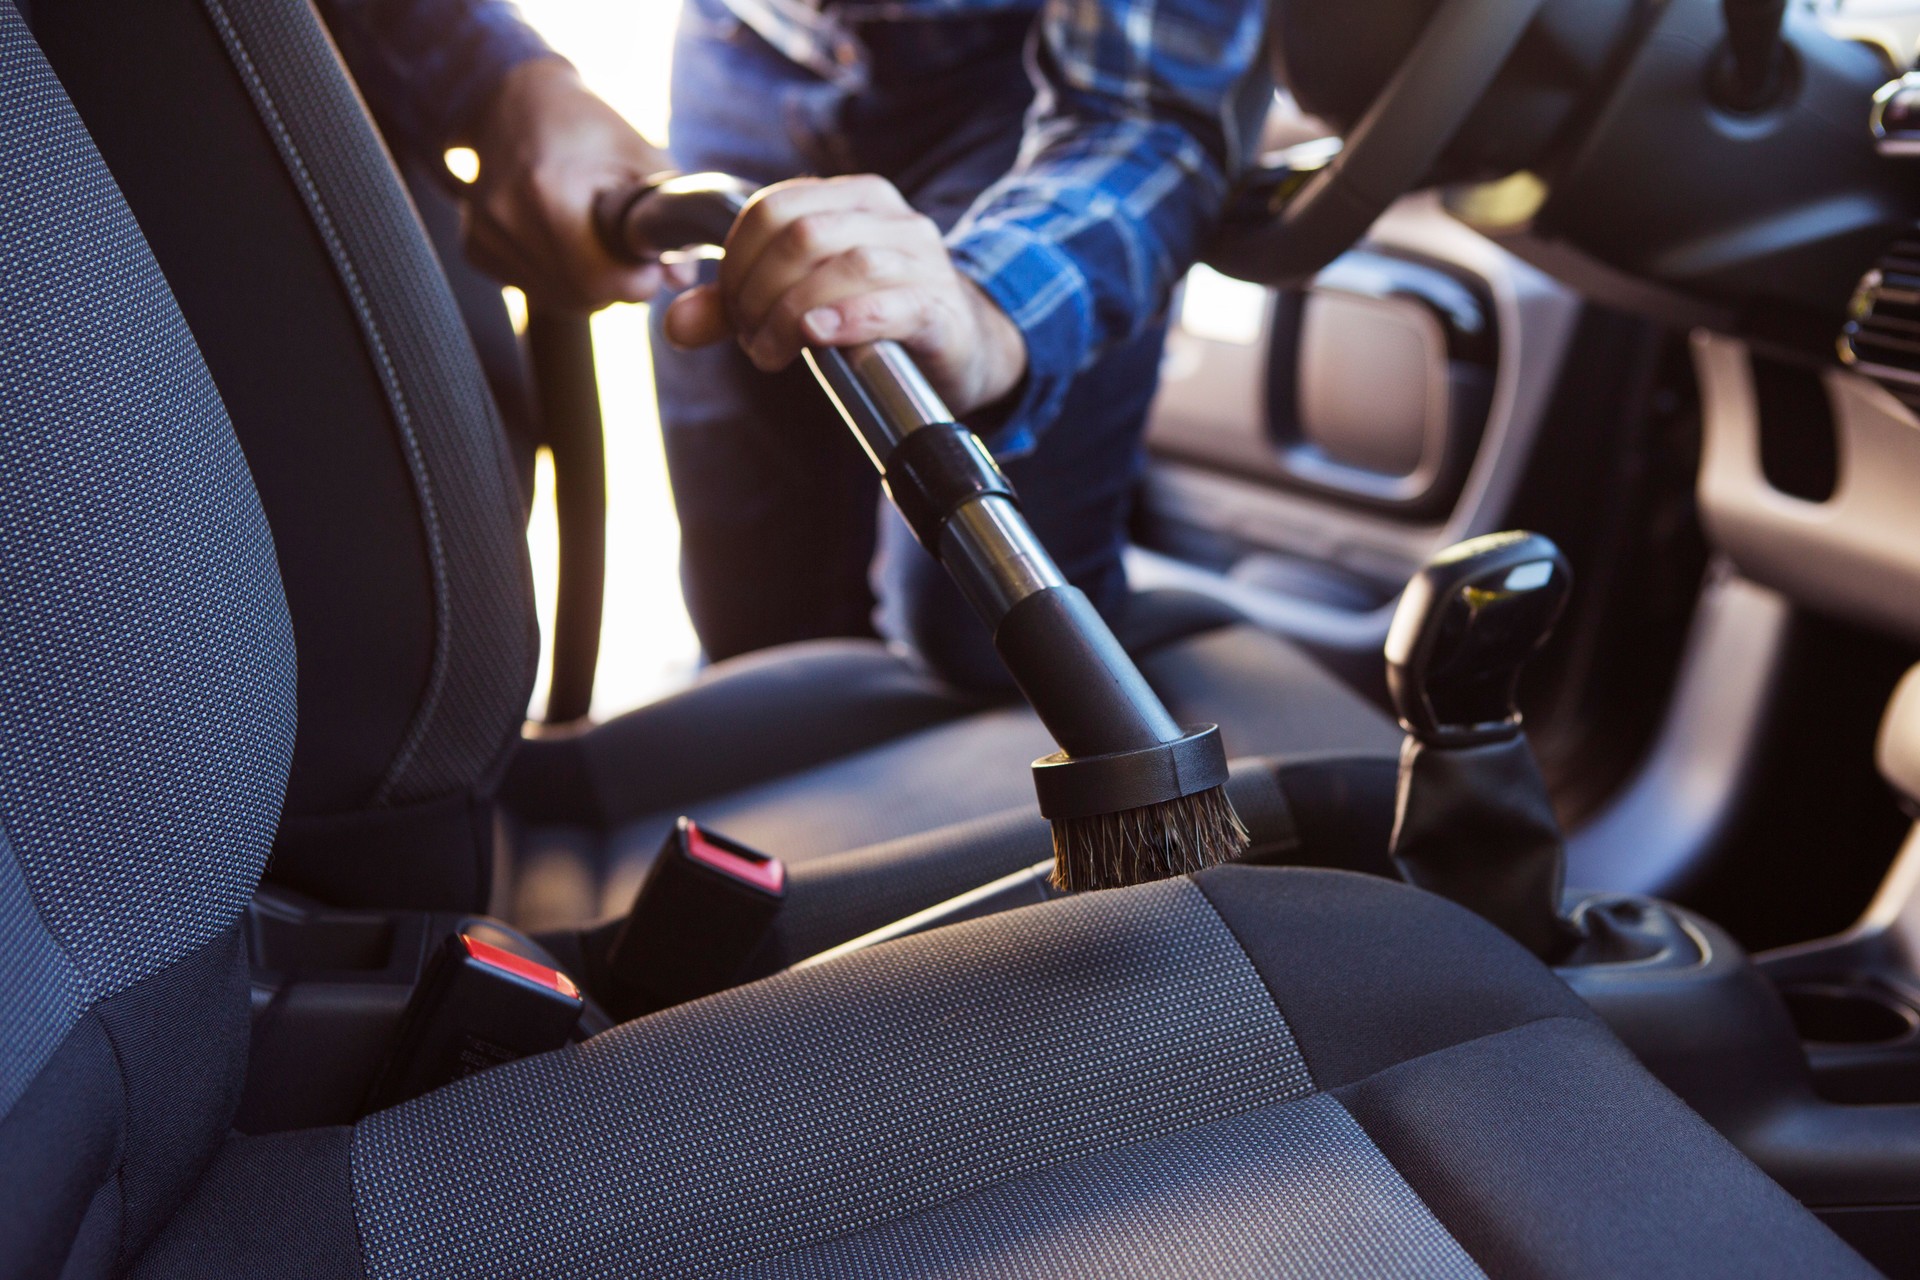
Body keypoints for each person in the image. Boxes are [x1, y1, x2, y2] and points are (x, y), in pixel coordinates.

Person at [321, 0, 1272, 690]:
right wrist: (493, 76)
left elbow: (1146, 116)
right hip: (750, 44)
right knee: (757, 624)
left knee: (987, 638)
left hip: (1031, 81)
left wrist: (988, 313)